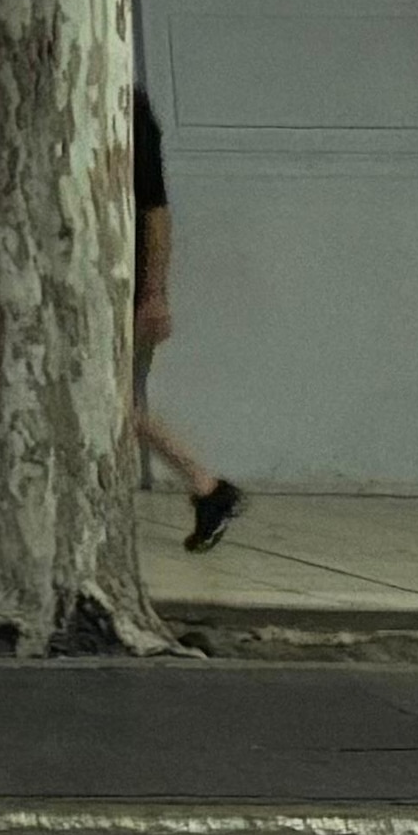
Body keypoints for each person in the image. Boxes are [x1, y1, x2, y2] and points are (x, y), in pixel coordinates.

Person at [131, 83, 247, 552]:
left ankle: (208, 487)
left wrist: (154, 293)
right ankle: (207, 488)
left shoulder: (131, 114)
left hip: (125, 287)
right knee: (119, 404)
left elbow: (156, 210)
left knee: (117, 404)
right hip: (106, 284)